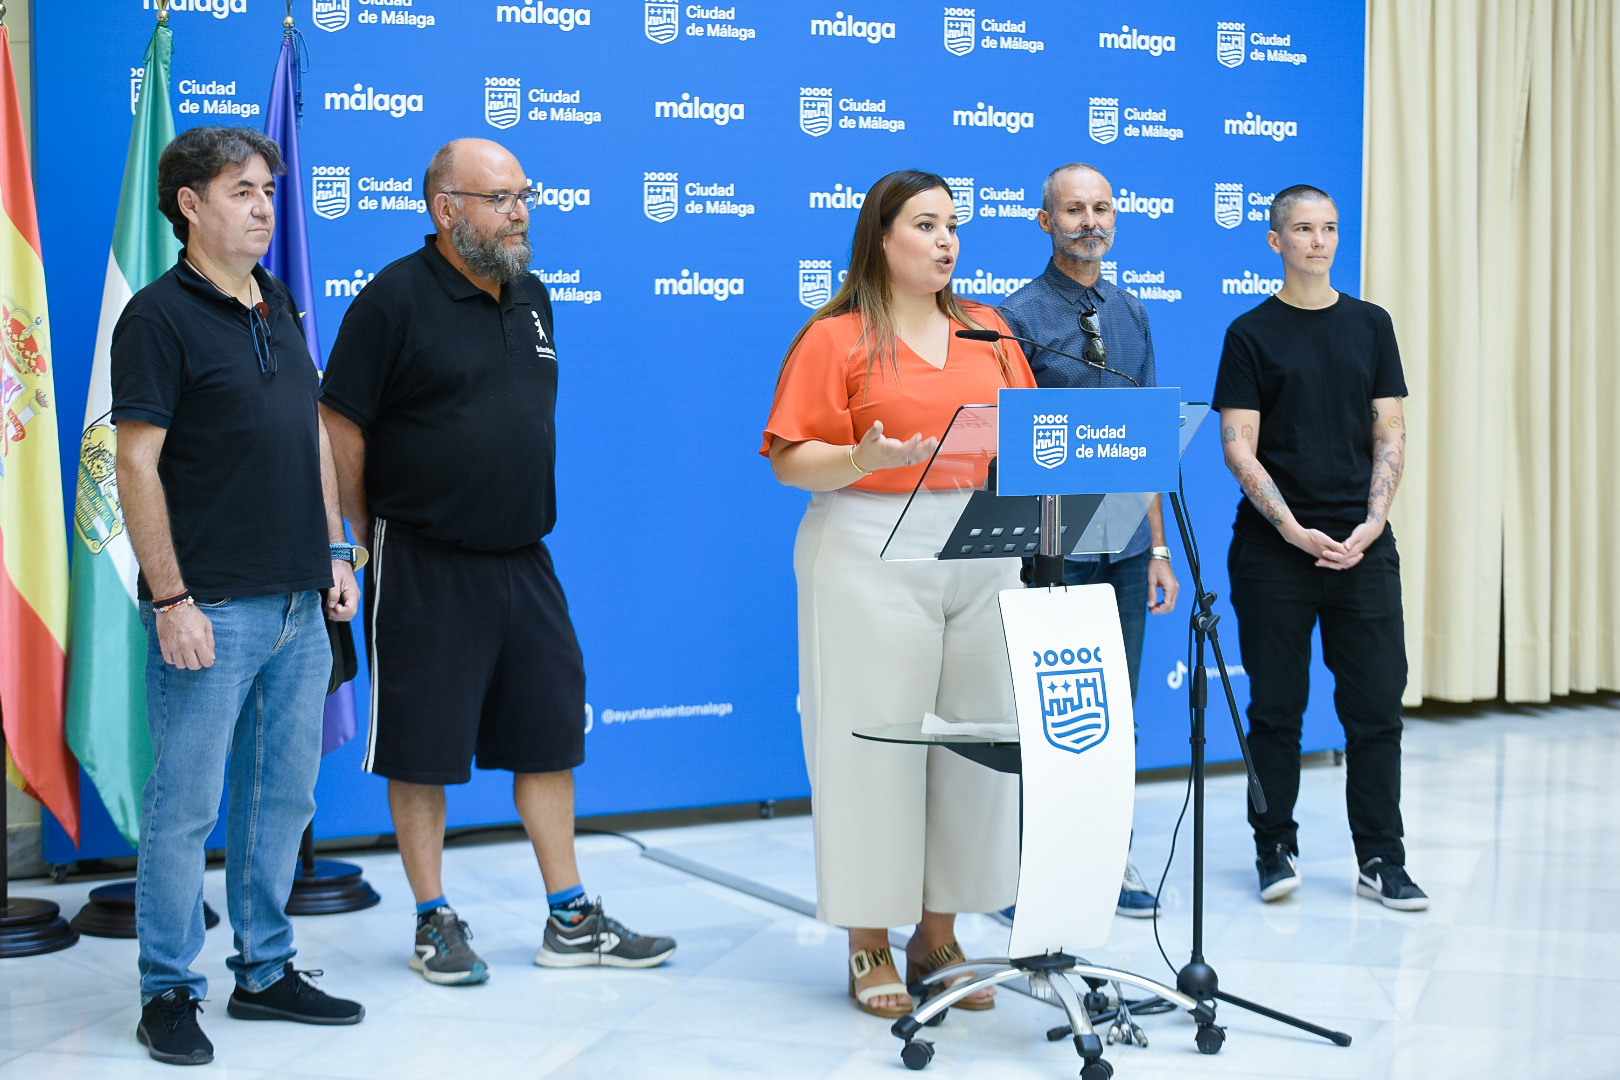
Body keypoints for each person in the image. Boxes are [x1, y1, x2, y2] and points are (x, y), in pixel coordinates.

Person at [320, 138, 676, 985]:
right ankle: (433, 919)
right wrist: (359, 533)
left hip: (524, 557)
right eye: (501, 199)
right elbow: (338, 424)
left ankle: (571, 918)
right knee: (420, 749)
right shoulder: (392, 299)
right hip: (422, 556)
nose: (520, 213)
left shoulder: (532, 294)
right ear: (448, 210)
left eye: (525, 195)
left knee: (549, 735)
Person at [112, 126, 365, 1067]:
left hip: (300, 598)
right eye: (242, 191)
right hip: (210, 606)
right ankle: (168, 990)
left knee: (281, 799)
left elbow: (309, 432)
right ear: (189, 204)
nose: (264, 207)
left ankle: (264, 971)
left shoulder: (280, 300)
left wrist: (336, 550)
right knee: (184, 809)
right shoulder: (156, 317)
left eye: (267, 190)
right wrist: (171, 598)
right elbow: (136, 465)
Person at [762, 170, 1037, 1018]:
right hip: (870, 545)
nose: (946, 239)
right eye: (925, 224)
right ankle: (870, 939)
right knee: (874, 748)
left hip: (984, 544)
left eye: (953, 223)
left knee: (973, 747)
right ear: (881, 239)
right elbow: (788, 458)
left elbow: (1034, 438)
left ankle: (938, 936)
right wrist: (861, 458)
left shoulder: (990, 332)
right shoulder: (836, 337)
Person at [1212, 184, 1427, 911]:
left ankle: (1382, 858)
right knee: (1276, 710)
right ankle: (1273, 846)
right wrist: (1291, 529)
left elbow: (1389, 432)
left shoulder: (1371, 324)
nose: (1319, 240)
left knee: (1376, 711)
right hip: (1276, 552)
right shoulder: (1250, 332)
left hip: (1364, 548)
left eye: (1329, 228)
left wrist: (1373, 520)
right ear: (1276, 241)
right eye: (1303, 229)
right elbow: (1239, 447)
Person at [999, 162, 1179, 919]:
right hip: (1052, 547)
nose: (1090, 222)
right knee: (1052, 716)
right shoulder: (1016, 317)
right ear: (1046, 221)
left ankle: (1110, 856)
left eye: (1102, 208)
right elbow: (1008, 444)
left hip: (1127, 548)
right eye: (1074, 210)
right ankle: (1034, 871)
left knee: (1117, 712)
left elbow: (1148, 441)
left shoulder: (1132, 312)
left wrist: (1159, 548)